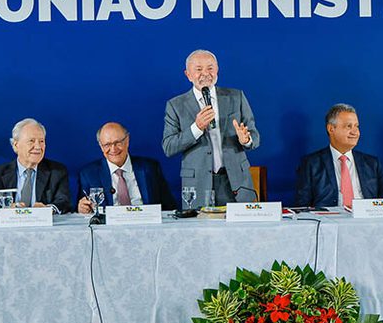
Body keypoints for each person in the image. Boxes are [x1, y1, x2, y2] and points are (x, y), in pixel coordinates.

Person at [162, 49, 260, 207]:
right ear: (188, 74)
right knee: (200, 231)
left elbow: (255, 136)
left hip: (235, 181)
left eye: (210, 68)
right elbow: (168, 147)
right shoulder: (176, 105)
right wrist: (197, 128)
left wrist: (246, 139)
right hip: (198, 182)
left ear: (217, 70)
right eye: (198, 69)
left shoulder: (236, 97)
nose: (205, 74)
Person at [295, 103, 383, 208]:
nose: (355, 132)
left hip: (367, 221)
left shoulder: (372, 164)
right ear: (331, 129)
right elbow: (302, 207)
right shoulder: (311, 164)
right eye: (348, 126)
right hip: (328, 222)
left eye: (356, 126)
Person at [77, 122, 176, 213]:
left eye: (118, 143)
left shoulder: (150, 168)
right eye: (107, 144)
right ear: (101, 146)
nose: (113, 149)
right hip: (107, 230)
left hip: (147, 226)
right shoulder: (88, 174)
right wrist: (82, 208)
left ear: (127, 140)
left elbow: (169, 206)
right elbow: (83, 208)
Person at [0, 118, 70, 215]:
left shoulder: (57, 171)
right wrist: (7, 210)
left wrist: (48, 209)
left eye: (41, 141)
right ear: (16, 145)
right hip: (8, 226)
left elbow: (64, 201)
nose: (38, 147)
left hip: (44, 227)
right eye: (31, 141)